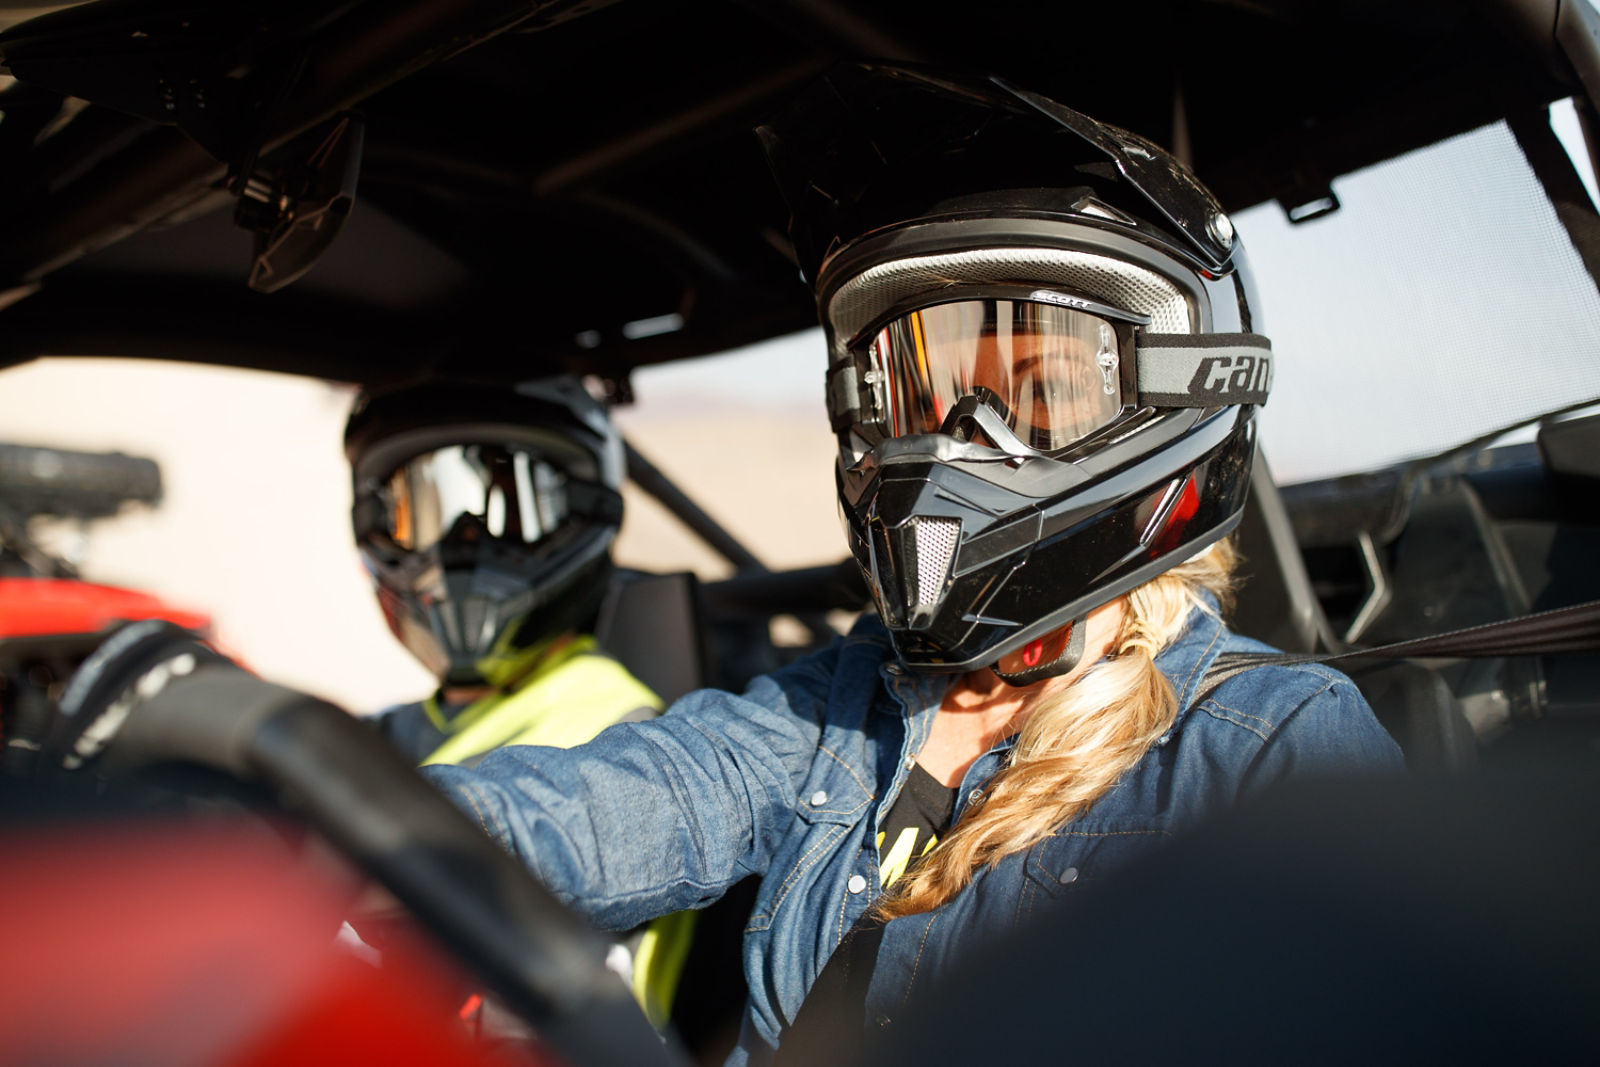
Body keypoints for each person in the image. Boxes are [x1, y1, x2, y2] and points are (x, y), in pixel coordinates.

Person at [417, 63, 1403, 1065]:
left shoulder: (1268, 745)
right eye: (922, 396)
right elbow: (621, 802)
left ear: (1174, 389)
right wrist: (375, 834)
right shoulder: (847, 701)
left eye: (1038, 393)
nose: (953, 444)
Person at [343, 376, 697, 1033]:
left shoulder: (616, 732)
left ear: (582, 515)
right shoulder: (393, 729)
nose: (465, 545)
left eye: (515, 513)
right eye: (421, 511)